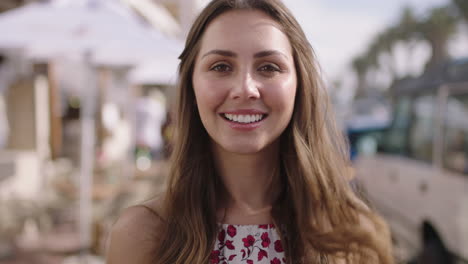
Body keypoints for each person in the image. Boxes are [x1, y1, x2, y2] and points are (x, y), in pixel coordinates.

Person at [106, 0, 394, 263]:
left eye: (268, 67)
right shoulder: (142, 235)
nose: (245, 88)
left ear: (299, 85)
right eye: (220, 66)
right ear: (192, 86)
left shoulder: (353, 234)